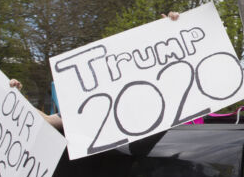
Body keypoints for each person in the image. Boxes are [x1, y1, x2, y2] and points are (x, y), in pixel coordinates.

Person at [10, 12, 181, 132]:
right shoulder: (90, 109)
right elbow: (47, 121)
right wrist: (16, 97)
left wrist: (169, 34)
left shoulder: (159, 100)